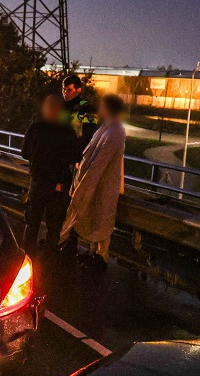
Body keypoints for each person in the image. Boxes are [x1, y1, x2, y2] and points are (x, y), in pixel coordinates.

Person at [61, 94, 128, 269]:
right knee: (94, 217)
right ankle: (92, 252)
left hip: (103, 184)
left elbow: (100, 161)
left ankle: (101, 256)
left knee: (102, 219)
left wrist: (85, 183)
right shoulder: (106, 128)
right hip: (96, 182)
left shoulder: (115, 131)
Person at [21, 94, 78, 251]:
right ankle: (50, 256)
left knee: (32, 221)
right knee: (54, 224)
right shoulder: (68, 132)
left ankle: (27, 253)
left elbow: (24, 153)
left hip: (39, 183)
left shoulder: (36, 129)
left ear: (45, 109)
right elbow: (75, 157)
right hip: (59, 186)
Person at [61, 74, 99, 153]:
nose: (65, 93)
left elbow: (88, 137)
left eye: (69, 90)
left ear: (78, 90)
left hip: (76, 154)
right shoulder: (60, 107)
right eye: (63, 89)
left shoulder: (88, 109)